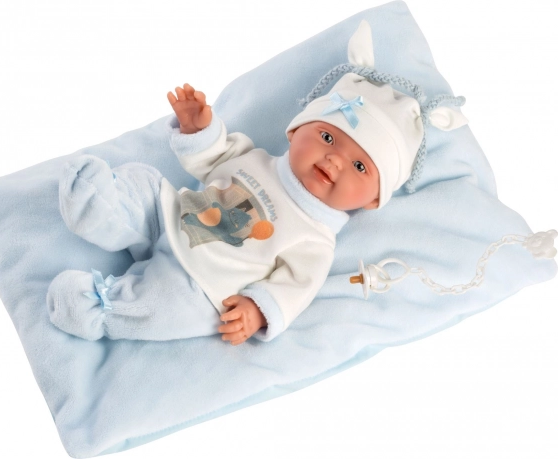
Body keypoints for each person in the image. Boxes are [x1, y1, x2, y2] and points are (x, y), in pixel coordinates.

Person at [46, 20, 467, 345]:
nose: (335, 160)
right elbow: (212, 158)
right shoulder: (255, 157)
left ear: (373, 200)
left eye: (360, 166)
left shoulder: (316, 242)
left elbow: (293, 289)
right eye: (326, 137)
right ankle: (97, 204)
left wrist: (257, 310)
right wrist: (198, 129)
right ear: (294, 130)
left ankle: (98, 308)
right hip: (174, 215)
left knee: (165, 310)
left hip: (200, 286)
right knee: (146, 186)